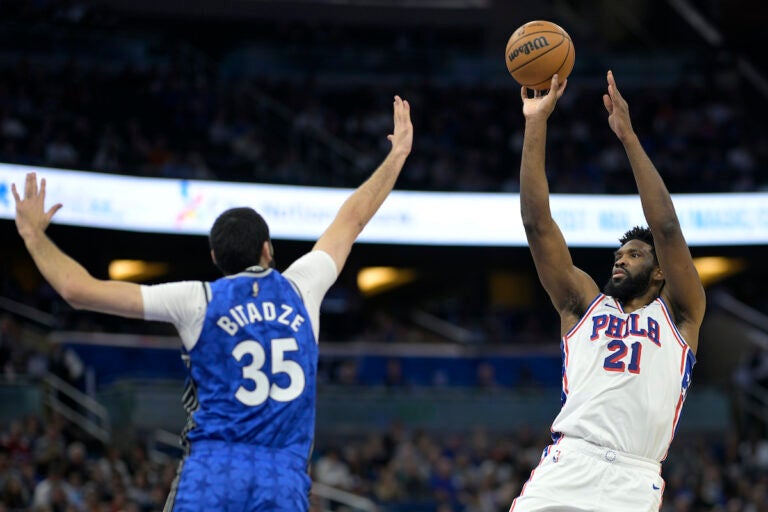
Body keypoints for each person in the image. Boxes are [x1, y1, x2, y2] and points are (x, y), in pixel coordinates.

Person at [12, 95, 413, 512]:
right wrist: (397, 154)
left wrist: (35, 237)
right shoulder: (303, 286)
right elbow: (352, 218)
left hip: (212, 476)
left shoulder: (197, 298)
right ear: (267, 249)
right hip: (282, 479)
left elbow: (78, 290)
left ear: (216, 261)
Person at [510, 71, 706, 511]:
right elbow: (537, 224)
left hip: (634, 478)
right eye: (619, 254)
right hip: (569, 461)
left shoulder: (680, 315)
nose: (621, 259)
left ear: (659, 275)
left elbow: (668, 229)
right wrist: (536, 121)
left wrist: (629, 138)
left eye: (635, 254)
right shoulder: (582, 304)